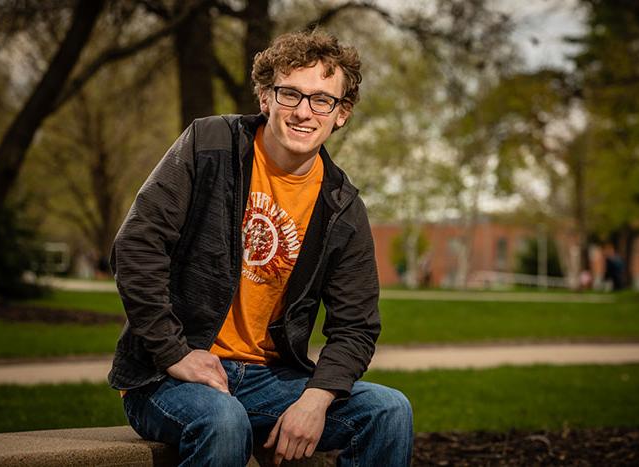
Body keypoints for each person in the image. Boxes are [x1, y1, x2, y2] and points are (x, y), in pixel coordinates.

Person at [108, 30, 413, 466]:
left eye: (322, 100)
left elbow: (356, 327)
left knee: (388, 410)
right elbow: (137, 246)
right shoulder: (209, 145)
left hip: (272, 381)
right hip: (171, 375)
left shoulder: (342, 207)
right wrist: (173, 352)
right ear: (266, 97)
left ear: (341, 113)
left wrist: (317, 397)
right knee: (223, 418)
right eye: (290, 94)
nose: (304, 112)